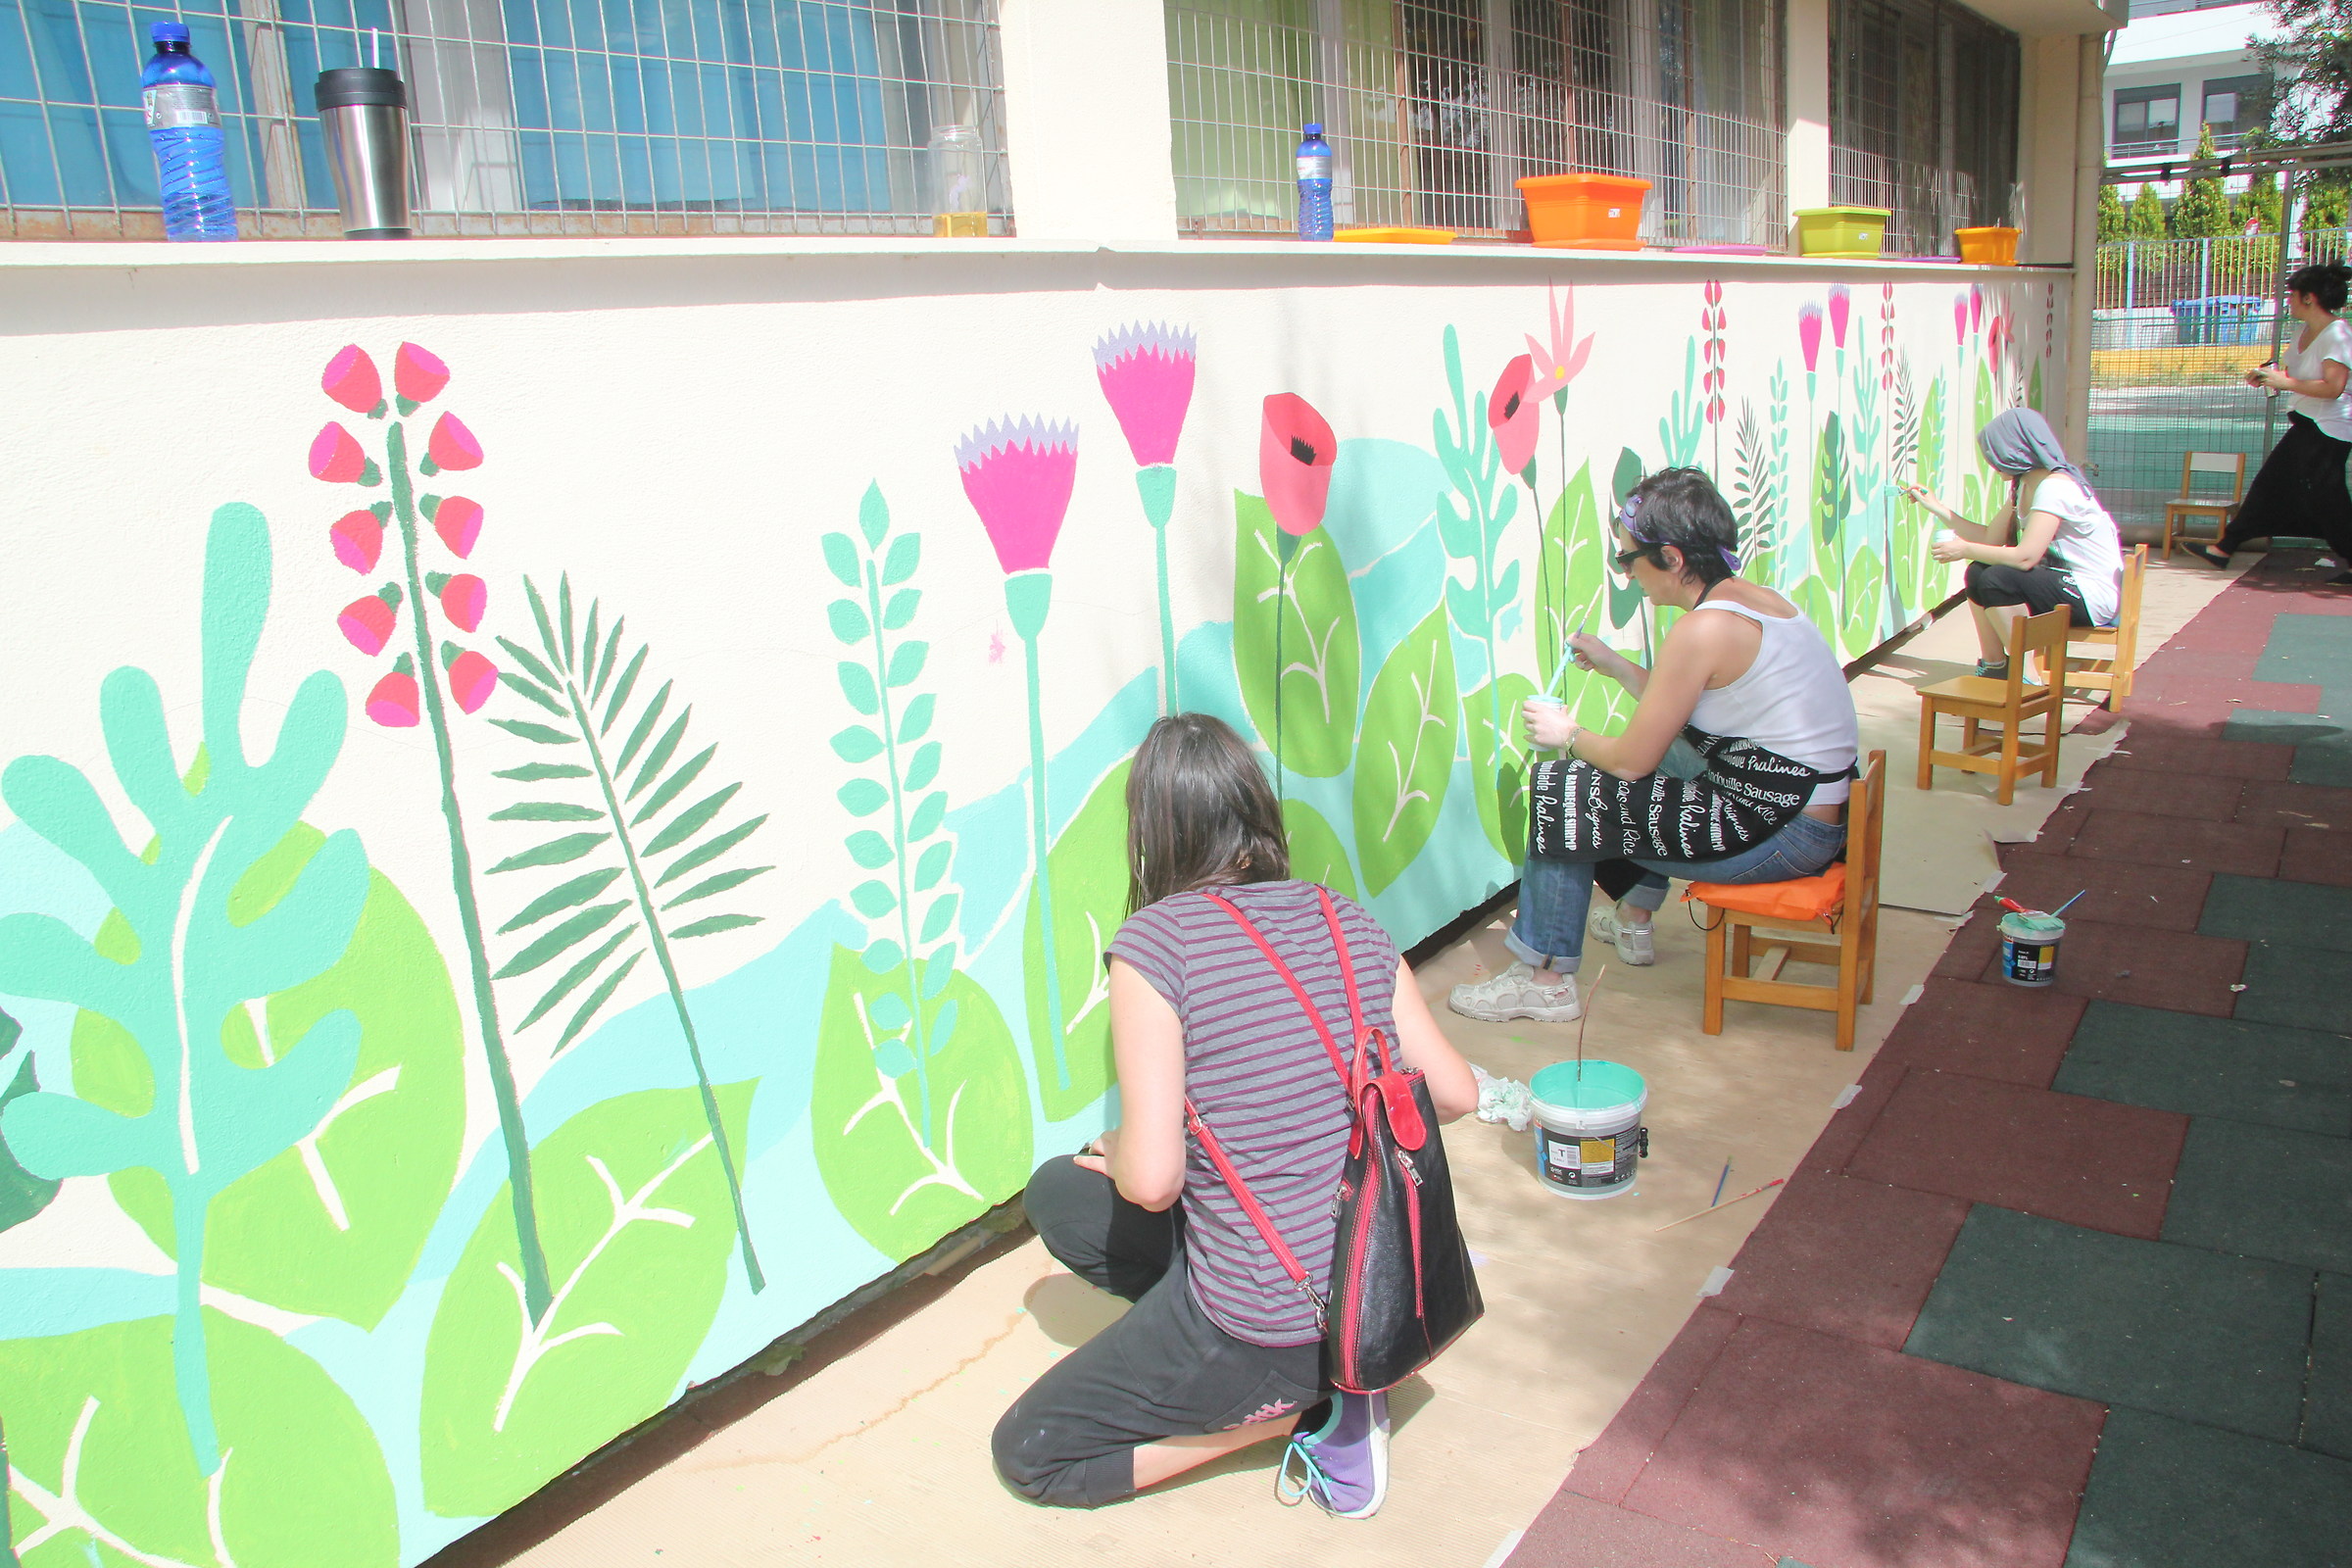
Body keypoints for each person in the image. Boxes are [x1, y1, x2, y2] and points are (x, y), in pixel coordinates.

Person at [992, 713, 1478, 1518]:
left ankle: (1295, 1408)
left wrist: (1123, 1152)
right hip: (1379, 1285)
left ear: (1153, 834)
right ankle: (1329, 1368)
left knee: (1031, 1455)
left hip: (1271, 1319)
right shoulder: (1345, 917)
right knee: (1058, 1192)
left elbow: (1151, 1183)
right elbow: (1455, 1093)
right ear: (1257, 813)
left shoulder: (1154, 946)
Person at [1448, 467, 1859, 1016]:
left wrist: (1567, 735)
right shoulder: (1756, 603)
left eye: (1627, 559)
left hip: (1784, 837)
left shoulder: (1703, 629)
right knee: (1655, 763)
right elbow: (1688, 707)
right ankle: (1634, 917)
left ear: (1671, 557)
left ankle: (1541, 978)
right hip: (1808, 813)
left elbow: (1631, 761)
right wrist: (1617, 667)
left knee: (1565, 788)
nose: (1626, 575)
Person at [1905, 407, 2125, 680]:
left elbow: (2026, 557)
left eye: (1995, 456)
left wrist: (1963, 549)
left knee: (1998, 578)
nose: (1992, 464)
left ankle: (2026, 675)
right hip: (2063, 582)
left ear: (2015, 451)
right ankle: (1995, 664)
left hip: (2091, 596)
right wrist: (1936, 507)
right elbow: (1989, 539)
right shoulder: (2024, 485)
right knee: (1978, 570)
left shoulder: (2055, 487)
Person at [2189, 261, 2352, 582]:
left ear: (2310, 298)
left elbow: (2334, 387)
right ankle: (2224, 547)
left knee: (2325, 498)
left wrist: (2283, 382)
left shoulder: (2338, 333)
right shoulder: (2303, 332)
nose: (2287, 301)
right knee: (2277, 484)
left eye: (2291, 295)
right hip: (2308, 422)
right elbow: (2294, 375)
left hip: (2329, 429)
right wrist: (2268, 376)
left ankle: (2225, 547)